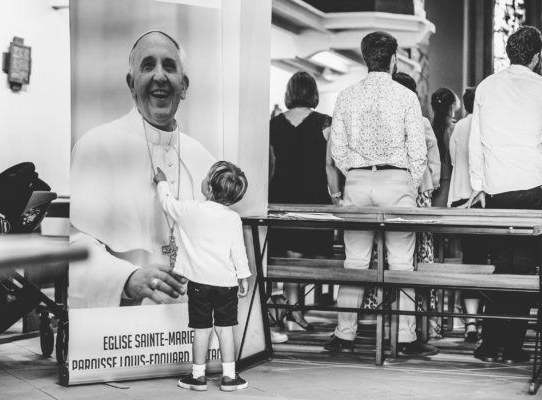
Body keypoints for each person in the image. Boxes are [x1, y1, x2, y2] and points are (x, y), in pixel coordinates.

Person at [69, 31, 216, 308]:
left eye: (169, 67)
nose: (160, 76)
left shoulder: (205, 160)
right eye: (148, 66)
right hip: (124, 327)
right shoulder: (96, 147)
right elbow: (77, 240)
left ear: (183, 86)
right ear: (131, 83)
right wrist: (127, 279)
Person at [326, 31, 436, 356]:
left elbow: (338, 150)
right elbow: (418, 152)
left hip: (358, 181)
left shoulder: (346, 96)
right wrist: (407, 182)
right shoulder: (406, 97)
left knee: (355, 262)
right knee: (402, 264)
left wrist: (356, 175)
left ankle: (344, 335)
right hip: (396, 179)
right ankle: (405, 338)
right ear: (393, 59)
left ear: (365, 58)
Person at [468, 26, 542, 363]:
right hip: (532, 188)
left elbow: (475, 143)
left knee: (499, 264)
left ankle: (488, 344)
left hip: (495, 189)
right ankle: (512, 348)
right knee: (524, 267)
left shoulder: (486, 86)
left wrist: (478, 185)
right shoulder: (541, 88)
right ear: (537, 56)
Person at [153, 161, 251, 392]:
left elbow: (166, 203)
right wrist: (243, 277)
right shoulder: (232, 218)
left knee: (201, 330)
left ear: (209, 189)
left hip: (199, 284)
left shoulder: (190, 210)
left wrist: (162, 183)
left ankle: (198, 377)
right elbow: (238, 251)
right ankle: (229, 377)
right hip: (226, 285)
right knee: (225, 329)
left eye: (207, 177)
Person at [269, 71, 342, 332]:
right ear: (313, 93)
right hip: (313, 196)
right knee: (309, 258)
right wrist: (336, 198)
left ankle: (292, 310)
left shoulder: (274, 124)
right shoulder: (325, 123)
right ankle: (295, 312)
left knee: (290, 256)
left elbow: (270, 164)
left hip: (281, 195)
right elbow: (330, 166)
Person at [393, 72, 442, 339]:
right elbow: (432, 164)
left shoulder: (385, 118)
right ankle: (412, 328)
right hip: (417, 196)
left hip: (391, 193)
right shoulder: (420, 120)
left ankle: (390, 323)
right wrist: (428, 189)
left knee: (390, 261)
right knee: (414, 262)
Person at [448, 87, 486, 343]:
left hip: (460, 196)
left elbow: (452, 160)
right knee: (488, 262)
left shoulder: (459, 126)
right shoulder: (487, 125)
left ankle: (470, 321)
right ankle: (486, 319)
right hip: (482, 199)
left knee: (469, 261)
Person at [431, 87, 459, 208]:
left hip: (429, 184)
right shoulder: (456, 129)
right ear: (452, 106)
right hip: (450, 183)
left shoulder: (427, 127)